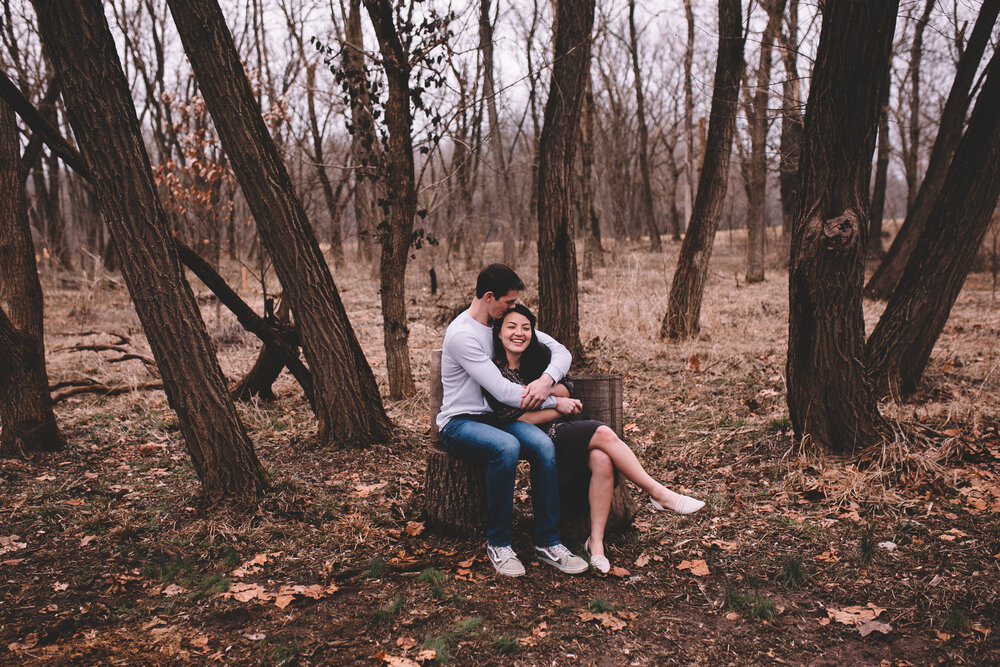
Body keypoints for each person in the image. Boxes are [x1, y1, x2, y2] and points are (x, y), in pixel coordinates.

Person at [485, 304, 705, 575]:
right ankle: (659, 494)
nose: (519, 333)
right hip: (539, 434)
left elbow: (569, 386)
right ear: (499, 333)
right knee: (602, 432)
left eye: (526, 328)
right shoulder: (492, 371)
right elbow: (513, 418)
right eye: (511, 327)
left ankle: (596, 544)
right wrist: (557, 406)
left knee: (603, 460)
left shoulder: (539, 357)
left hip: (567, 425)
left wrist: (545, 390)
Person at [437, 264, 588, 577]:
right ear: (490, 297)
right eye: (509, 302)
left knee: (543, 446)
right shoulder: (462, 335)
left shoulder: (499, 324)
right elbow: (505, 392)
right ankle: (500, 543)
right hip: (459, 423)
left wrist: (546, 380)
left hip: (497, 420)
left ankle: (548, 542)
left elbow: (561, 352)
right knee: (505, 447)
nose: (514, 308)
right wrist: (555, 399)